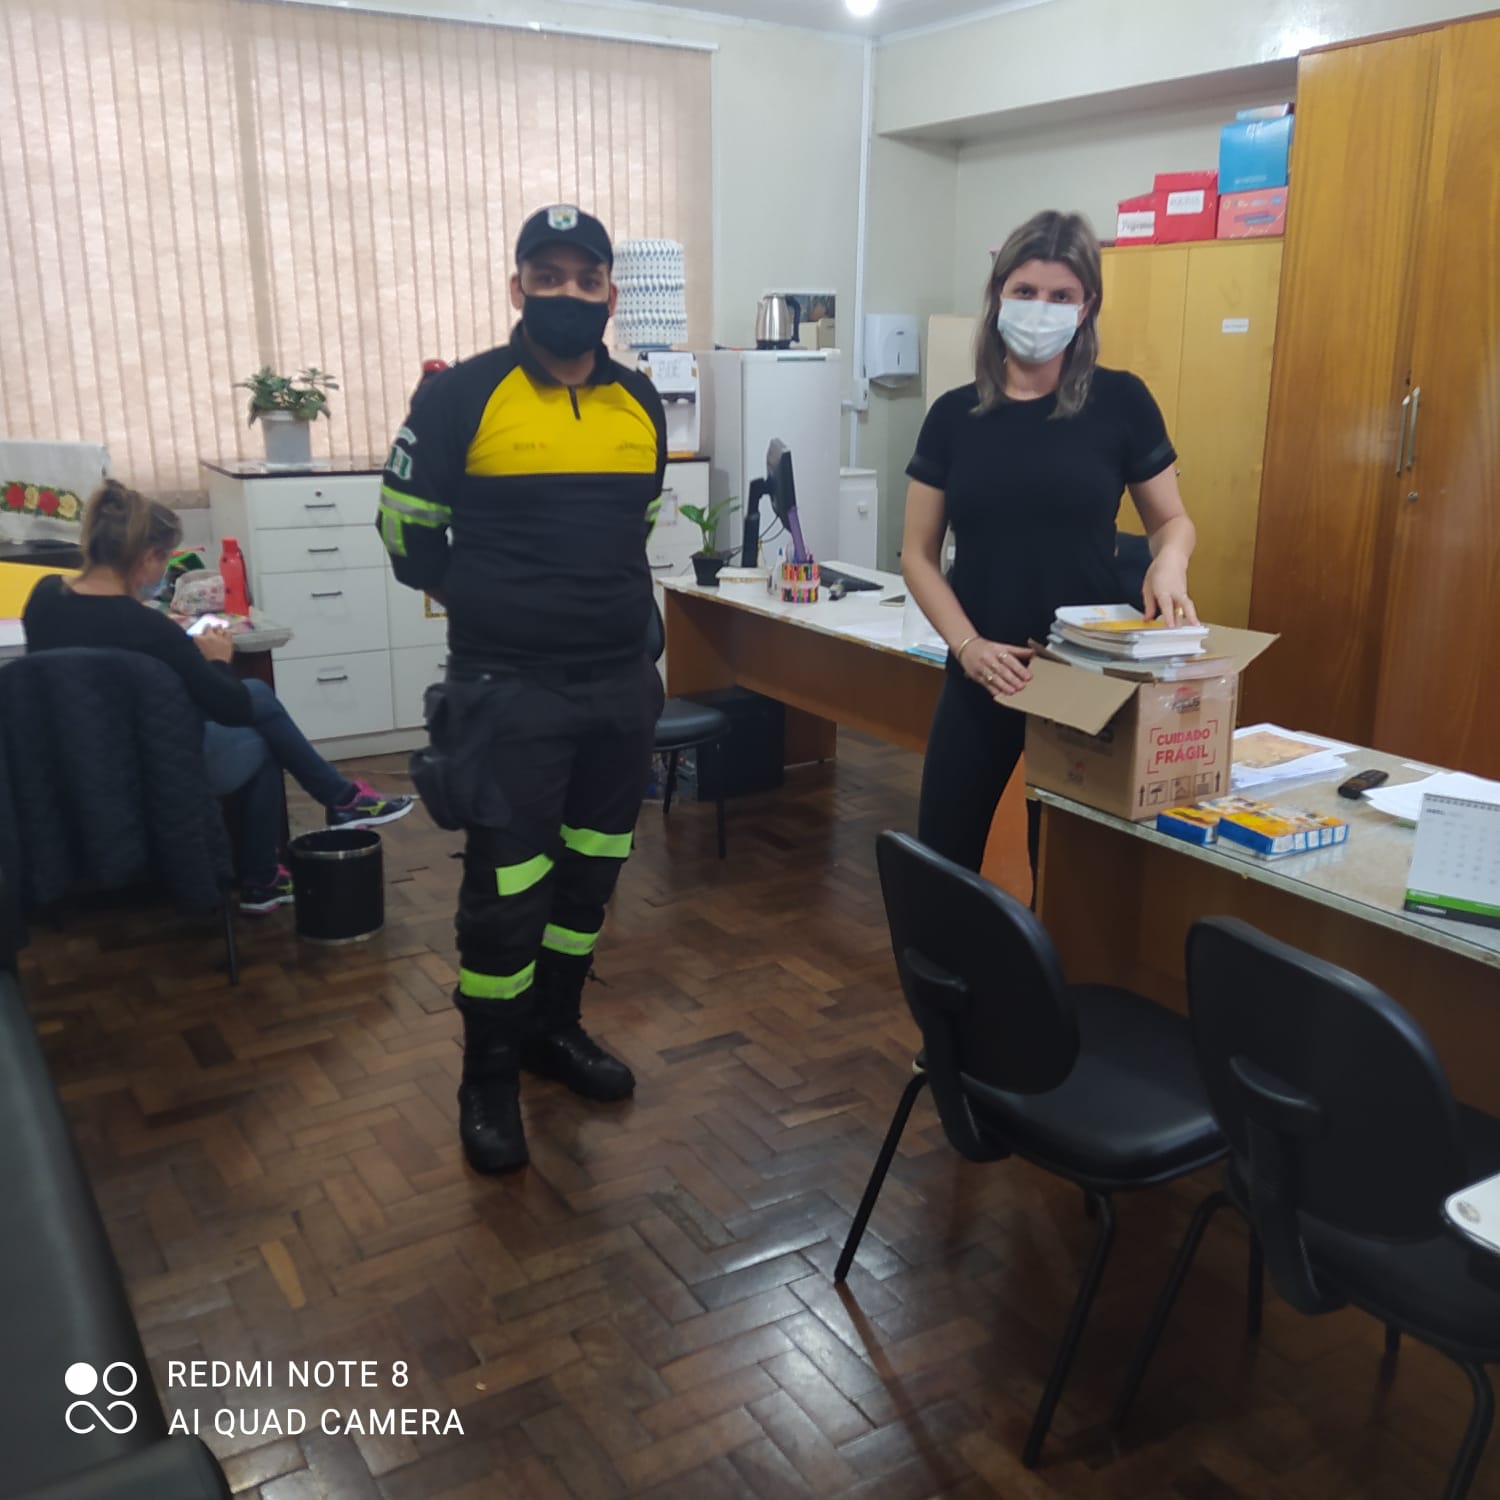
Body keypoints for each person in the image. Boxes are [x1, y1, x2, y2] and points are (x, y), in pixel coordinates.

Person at [378, 204, 667, 1175]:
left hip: (618, 688)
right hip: (509, 693)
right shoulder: (461, 396)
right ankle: (488, 1078)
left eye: (586, 279)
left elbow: (636, 527)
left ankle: (554, 1030)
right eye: (548, 277)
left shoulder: (640, 403)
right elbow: (406, 531)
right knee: (506, 893)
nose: (568, 293)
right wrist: (490, 600)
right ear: (518, 288)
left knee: (589, 877)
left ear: (610, 295)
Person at [902, 210, 1198, 880]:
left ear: (1087, 305)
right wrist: (968, 647)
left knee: (1071, 874)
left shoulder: (1121, 402)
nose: (1042, 308)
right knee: (941, 861)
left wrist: (1170, 561)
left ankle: (1051, 956)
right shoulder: (953, 416)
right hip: (982, 671)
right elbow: (918, 554)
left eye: (1062, 295)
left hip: (1082, 676)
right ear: (998, 295)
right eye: (1026, 291)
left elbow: (1172, 522)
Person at [23, 480, 413, 913]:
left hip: (70, 766)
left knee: (257, 707)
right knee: (258, 720)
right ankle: (292, 849)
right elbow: (230, 707)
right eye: (166, 559)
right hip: (153, 773)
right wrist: (217, 659)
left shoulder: (43, 600)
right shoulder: (147, 628)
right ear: (148, 557)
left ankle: (324, 818)